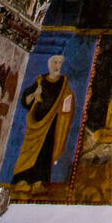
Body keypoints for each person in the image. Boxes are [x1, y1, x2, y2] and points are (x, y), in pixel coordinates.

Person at [12, 54, 75, 188]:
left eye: (59, 63)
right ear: (50, 64)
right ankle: (22, 179)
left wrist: (66, 106)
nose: (57, 66)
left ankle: (39, 181)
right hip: (36, 123)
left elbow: (68, 102)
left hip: (51, 123)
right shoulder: (40, 81)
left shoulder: (63, 82)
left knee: (45, 151)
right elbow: (26, 100)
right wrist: (35, 95)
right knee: (28, 150)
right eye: (55, 63)